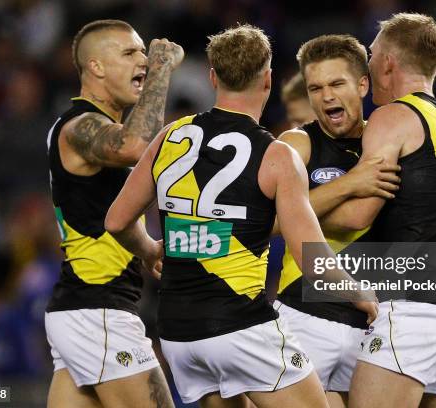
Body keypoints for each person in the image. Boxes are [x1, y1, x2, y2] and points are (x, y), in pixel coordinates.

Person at [105, 24, 377, 408]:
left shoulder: (171, 136)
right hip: (240, 326)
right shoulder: (277, 155)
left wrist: (149, 249)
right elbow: (312, 259)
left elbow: (116, 220)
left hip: (178, 334)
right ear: (267, 80)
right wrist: (360, 294)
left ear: (213, 77)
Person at [274, 34, 436, 408]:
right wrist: (349, 184)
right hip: (306, 310)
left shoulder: (391, 134)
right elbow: (264, 222)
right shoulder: (297, 144)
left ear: (363, 84)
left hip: (371, 319)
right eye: (316, 88)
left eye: (336, 84)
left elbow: (431, 187)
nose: (326, 96)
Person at [44, 19, 183, 408]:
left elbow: (108, 220)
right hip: (98, 311)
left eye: (143, 51)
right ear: (96, 67)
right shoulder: (78, 126)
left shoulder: (92, 131)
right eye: (129, 53)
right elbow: (137, 145)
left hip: (77, 310)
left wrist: (148, 249)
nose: (142, 58)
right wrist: (161, 68)